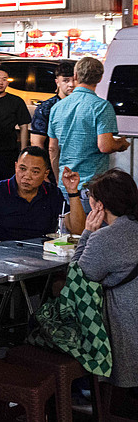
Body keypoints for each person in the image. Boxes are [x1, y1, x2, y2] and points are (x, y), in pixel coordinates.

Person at [72, 168, 138, 392]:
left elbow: (76, 280)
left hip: (128, 327)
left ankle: (77, 392)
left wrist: (88, 232)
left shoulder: (105, 238)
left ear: (99, 205)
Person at [48, 56, 129, 206]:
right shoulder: (102, 107)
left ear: (76, 76)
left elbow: (53, 148)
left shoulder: (57, 107)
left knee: (68, 226)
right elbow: (105, 146)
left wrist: (59, 178)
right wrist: (120, 144)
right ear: (100, 79)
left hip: (66, 182)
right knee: (92, 227)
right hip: (92, 186)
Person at [0, 147, 83, 243]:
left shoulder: (52, 193)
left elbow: (78, 230)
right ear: (16, 166)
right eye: (22, 169)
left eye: (35, 172)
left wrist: (72, 192)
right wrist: (7, 251)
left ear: (46, 173)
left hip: (41, 255)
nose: (27, 176)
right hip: (3, 256)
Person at [0, 66, 32, 185]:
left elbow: (24, 127)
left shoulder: (16, 101)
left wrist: (23, 152)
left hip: (9, 153)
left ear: (7, 82)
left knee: (8, 186)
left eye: (4, 79)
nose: (0, 82)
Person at [30, 60, 76, 149]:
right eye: (65, 81)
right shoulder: (46, 108)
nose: (71, 84)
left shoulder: (83, 105)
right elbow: (36, 142)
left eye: (74, 80)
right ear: (57, 82)